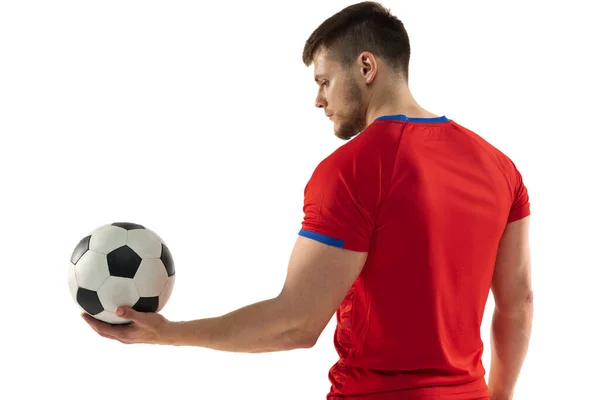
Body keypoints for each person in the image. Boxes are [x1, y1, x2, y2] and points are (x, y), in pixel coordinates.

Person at [82, 2, 533, 399]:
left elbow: (296, 324)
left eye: (324, 81)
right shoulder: (499, 167)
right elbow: (518, 303)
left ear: (366, 67)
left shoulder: (353, 169)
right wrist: (500, 395)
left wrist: (169, 334)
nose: (318, 99)